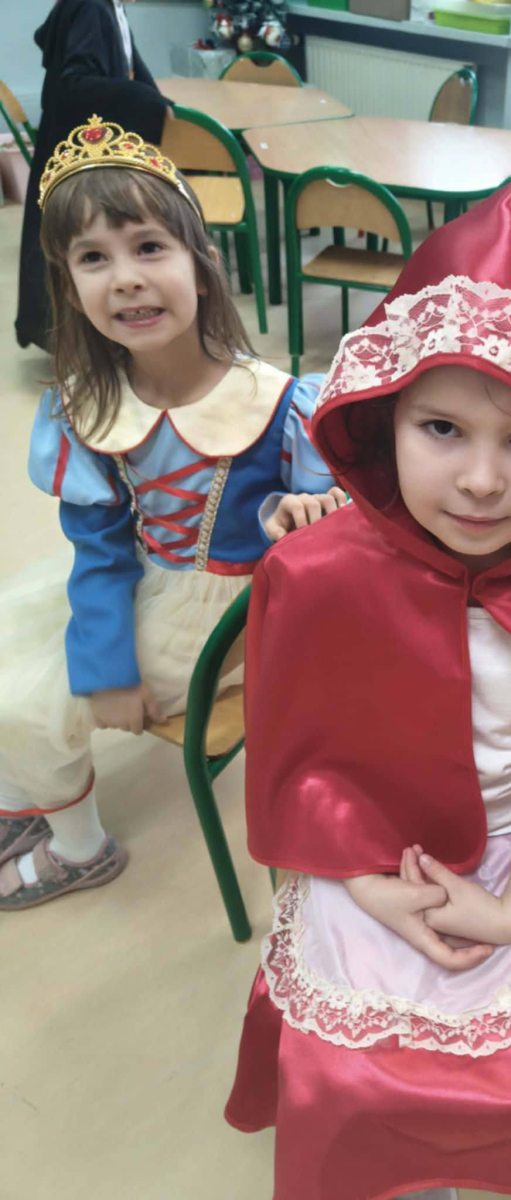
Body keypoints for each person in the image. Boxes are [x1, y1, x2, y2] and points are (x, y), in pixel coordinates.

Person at [225, 121, 511, 1200]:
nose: (482, 481)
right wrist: (363, 881)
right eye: (443, 429)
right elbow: (294, 760)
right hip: (355, 852)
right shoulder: (316, 574)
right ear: (384, 419)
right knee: (351, 1075)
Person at [0, 115, 344, 910]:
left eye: (149, 247)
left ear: (203, 267)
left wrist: (309, 515)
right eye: (93, 258)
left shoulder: (280, 404)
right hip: (145, 579)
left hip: (238, 616)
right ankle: (30, 798)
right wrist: (106, 665)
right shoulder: (86, 409)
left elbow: (331, 549)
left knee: (24, 697)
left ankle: (79, 849)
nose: (124, 278)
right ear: (68, 288)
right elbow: (99, 547)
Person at [17, 0, 169, 350]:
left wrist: (157, 100)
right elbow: (77, 82)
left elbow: (134, 67)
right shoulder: (92, 7)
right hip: (76, 146)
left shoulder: (111, 7)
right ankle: (72, 338)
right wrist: (151, 103)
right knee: (75, 236)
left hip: (80, 140)